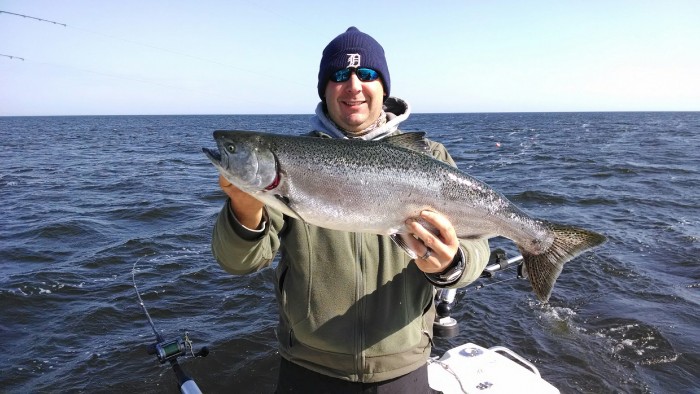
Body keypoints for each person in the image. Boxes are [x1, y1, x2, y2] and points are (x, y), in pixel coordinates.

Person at [211, 26, 490, 393]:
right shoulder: (291, 163)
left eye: (367, 74)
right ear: (325, 89)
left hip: (403, 367)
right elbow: (239, 262)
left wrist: (453, 264)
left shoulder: (431, 156)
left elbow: (478, 243)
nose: (354, 85)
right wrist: (244, 210)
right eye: (340, 75)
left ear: (384, 88)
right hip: (309, 368)